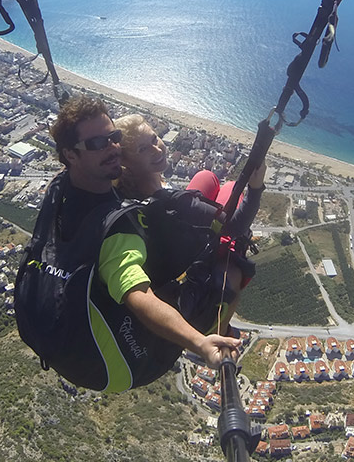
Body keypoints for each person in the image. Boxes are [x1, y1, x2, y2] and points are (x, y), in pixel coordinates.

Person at [15, 95, 241, 392]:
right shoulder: (116, 226)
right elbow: (137, 294)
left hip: (60, 339)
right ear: (70, 154)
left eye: (114, 137)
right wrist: (199, 343)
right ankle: (215, 324)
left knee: (206, 183)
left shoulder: (59, 188)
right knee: (233, 265)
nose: (112, 148)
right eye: (97, 143)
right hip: (118, 365)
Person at [112, 113, 266, 333]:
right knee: (232, 189)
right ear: (126, 161)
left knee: (206, 177)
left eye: (154, 139)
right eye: (143, 149)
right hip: (188, 271)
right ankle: (219, 325)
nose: (156, 149)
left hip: (168, 245)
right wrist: (255, 188)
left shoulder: (126, 188)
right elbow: (237, 226)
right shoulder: (177, 204)